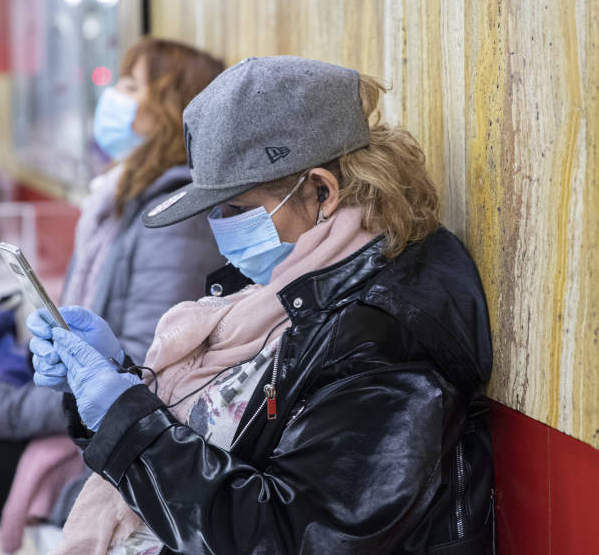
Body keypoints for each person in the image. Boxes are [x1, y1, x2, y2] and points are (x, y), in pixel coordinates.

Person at [28, 56, 495, 554]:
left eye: (237, 210)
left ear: (322, 190)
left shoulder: (381, 337)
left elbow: (290, 537)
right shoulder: (290, 287)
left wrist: (128, 424)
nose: (219, 227)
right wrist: (115, 381)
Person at [0, 38, 227, 555]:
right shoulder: (122, 199)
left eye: (131, 86)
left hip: (93, 444)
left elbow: (140, 372)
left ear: (168, 108)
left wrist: (4, 410)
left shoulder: (171, 220)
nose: (112, 95)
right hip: (65, 414)